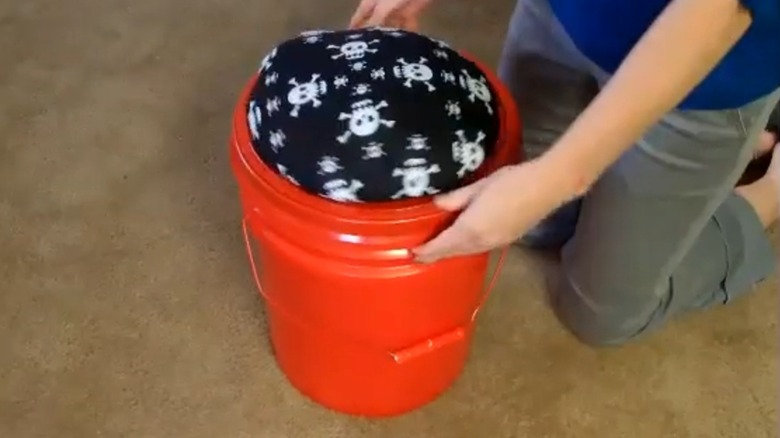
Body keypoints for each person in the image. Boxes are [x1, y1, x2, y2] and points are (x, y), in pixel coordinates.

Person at [350, 0, 780, 346]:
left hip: (704, 84)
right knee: (532, 224)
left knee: (598, 315)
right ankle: (728, 156)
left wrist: (558, 177)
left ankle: (769, 189)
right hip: (560, 17)